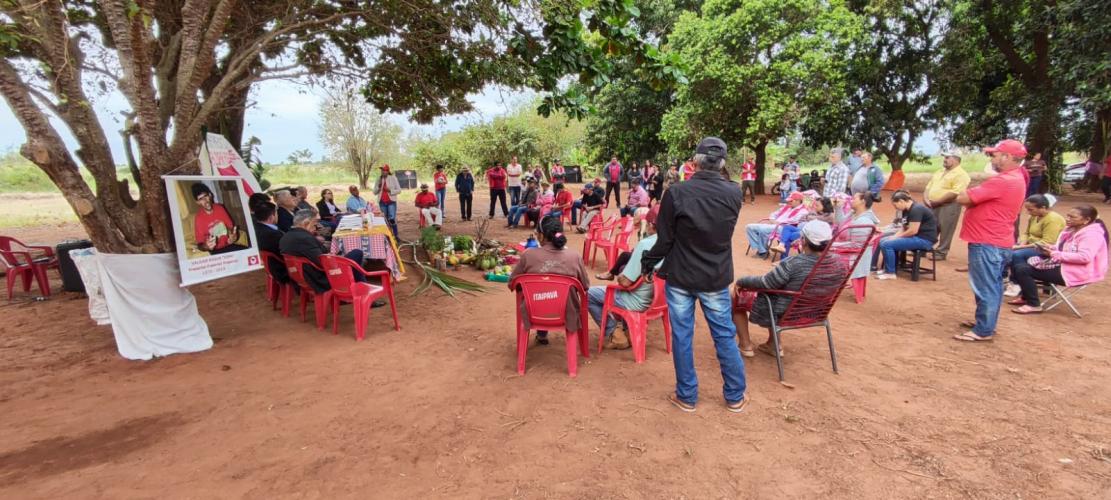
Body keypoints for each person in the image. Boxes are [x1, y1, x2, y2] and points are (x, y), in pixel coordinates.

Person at [640, 137, 748, 414]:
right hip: (715, 275)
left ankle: (687, 396)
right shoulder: (734, 193)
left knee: (683, 336)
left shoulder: (677, 193)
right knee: (724, 334)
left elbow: (664, 240)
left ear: (695, 161)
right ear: (723, 163)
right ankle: (735, 396)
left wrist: (647, 262)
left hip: (682, 276)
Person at [953, 139, 1028, 342]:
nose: (991, 158)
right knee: (992, 285)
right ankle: (985, 323)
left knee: (986, 286)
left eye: (994, 155)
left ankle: (983, 330)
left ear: (1007, 157)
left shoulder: (1003, 181)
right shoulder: (1017, 177)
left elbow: (963, 198)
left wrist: (973, 190)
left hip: (987, 241)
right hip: (997, 240)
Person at [734, 220, 839, 357]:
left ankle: (745, 345)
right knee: (781, 294)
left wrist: (742, 281)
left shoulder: (794, 263)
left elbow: (766, 283)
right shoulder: (838, 263)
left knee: (737, 295)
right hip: (815, 311)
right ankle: (773, 344)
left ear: (803, 240)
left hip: (785, 311)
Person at [587, 205, 663, 350]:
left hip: (637, 301)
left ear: (652, 225)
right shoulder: (676, 243)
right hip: (660, 301)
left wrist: (621, 275)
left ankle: (615, 334)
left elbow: (625, 282)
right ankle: (628, 331)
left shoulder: (646, 244)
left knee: (589, 294)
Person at [507, 215, 591, 345]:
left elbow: (512, 283)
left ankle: (541, 334)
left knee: (541, 295)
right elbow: (585, 285)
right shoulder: (574, 256)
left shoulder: (528, 255)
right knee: (554, 295)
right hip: (566, 314)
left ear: (541, 236)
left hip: (534, 313)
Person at [1009, 205, 1108, 314]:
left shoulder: (1091, 235)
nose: (1068, 219)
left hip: (1076, 272)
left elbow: (1084, 257)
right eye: (1068, 216)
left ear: (1086, 220)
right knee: (1019, 260)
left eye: (1072, 217)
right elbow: (1064, 248)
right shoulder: (1071, 230)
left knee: (1023, 270)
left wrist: (1054, 254)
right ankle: (1027, 295)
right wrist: (1050, 248)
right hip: (1064, 265)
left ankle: (1033, 304)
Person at [280, 209, 380, 299]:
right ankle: (362, 294)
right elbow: (323, 262)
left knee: (351, 259)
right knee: (357, 254)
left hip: (302, 278)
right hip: (320, 279)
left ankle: (356, 289)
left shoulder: (285, 237)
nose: (316, 227)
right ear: (306, 223)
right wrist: (337, 258)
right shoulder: (305, 238)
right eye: (315, 224)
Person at [1003, 194, 1065, 297]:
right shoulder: (1034, 216)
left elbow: (1047, 242)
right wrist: (1022, 242)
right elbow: (1026, 233)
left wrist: (1019, 247)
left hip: (1046, 249)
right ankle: (1009, 279)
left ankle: (1016, 283)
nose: (1028, 212)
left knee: (1016, 255)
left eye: (1031, 209)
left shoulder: (1053, 219)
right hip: (1031, 245)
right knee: (1006, 251)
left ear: (1043, 208)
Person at [874, 191, 938, 280]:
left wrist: (897, 237)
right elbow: (903, 228)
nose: (895, 208)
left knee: (887, 244)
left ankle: (890, 272)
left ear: (901, 201)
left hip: (924, 240)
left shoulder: (916, 209)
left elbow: (913, 230)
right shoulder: (906, 210)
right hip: (917, 237)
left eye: (895, 205)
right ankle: (888, 269)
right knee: (883, 240)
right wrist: (894, 237)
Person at [923, 151, 972, 261]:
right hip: (932, 204)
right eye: (944, 157)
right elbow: (928, 187)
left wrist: (938, 201)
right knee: (930, 226)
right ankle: (925, 248)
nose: (944, 159)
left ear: (956, 159)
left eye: (947, 157)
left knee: (946, 227)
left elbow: (955, 192)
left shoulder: (961, 175)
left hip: (948, 205)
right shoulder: (940, 171)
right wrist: (926, 199)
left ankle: (941, 251)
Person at [834, 192, 881, 281]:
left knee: (823, 252)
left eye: (854, 199)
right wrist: (838, 207)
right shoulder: (855, 213)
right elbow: (839, 222)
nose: (851, 201)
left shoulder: (864, 221)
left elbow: (856, 246)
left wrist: (833, 246)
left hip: (852, 255)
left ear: (862, 202)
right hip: (846, 246)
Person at [746, 192, 809, 258]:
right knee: (749, 227)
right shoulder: (787, 207)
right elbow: (773, 214)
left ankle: (762, 252)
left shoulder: (803, 211)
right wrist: (773, 220)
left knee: (761, 230)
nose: (789, 202)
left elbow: (794, 221)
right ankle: (762, 250)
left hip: (784, 228)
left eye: (791, 201)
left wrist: (777, 222)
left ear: (798, 201)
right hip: (774, 225)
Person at [190, 182, 246, 254]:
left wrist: (233, 236)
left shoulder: (220, 208)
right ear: (197, 202)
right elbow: (200, 244)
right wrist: (206, 246)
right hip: (216, 251)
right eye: (201, 199)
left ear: (210, 195)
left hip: (229, 246)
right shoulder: (198, 218)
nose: (205, 201)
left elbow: (230, 228)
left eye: (205, 196)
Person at [252, 201, 291, 284]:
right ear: (271, 217)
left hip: (271, 267)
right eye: (276, 213)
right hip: (281, 270)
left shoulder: (256, 229)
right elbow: (288, 250)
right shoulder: (273, 234)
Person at [373, 164, 402, 237]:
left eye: (384, 170)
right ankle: (388, 236)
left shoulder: (393, 178)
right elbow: (374, 192)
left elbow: (399, 190)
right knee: (385, 220)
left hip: (391, 202)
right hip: (382, 202)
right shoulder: (378, 179)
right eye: (382, 170)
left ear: (387, 171)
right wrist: (379, 188)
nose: (382, 172)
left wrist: (390, 190)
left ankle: (395, 236)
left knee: (392, 219)